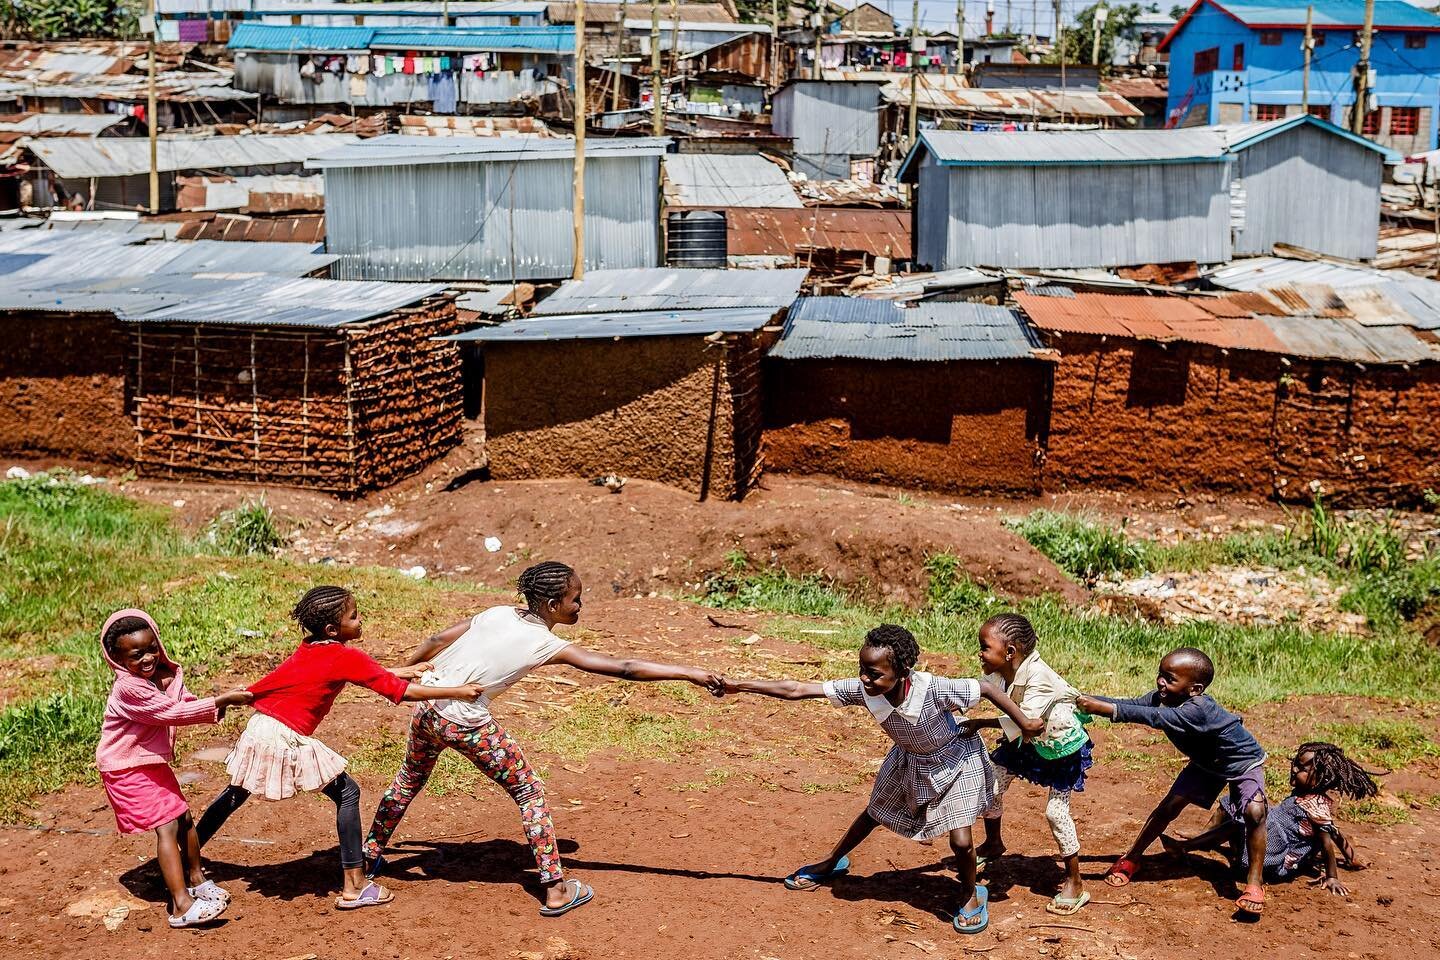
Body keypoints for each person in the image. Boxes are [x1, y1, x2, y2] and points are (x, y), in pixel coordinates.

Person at [364, 560, 724, 918]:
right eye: (576, 598)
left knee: (408, 780)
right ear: (552, 605)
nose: (580, 605)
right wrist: (688, 672)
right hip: (465, 722)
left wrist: (401, 680)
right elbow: (624, 668)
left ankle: (368, 857)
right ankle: (555, 889)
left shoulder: (497, 613)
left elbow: (436, 639)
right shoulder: (544, 643)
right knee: (529, 792)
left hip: (425, 707)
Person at [720, 623, 1043, 934]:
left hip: (957, 759)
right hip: (910, 760)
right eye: (862, 669)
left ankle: (971, 893)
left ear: (903, 672)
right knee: (873, 813)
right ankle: (831, 862)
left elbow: (985, 688)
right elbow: (797, 689)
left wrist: (1024, 722)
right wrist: (740, 685)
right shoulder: (865, 690)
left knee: (960, 841)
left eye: (874, 673)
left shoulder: (933, 688)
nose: (864, 678)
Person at [195, 586, 484, 910]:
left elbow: (357, 674)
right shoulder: (344, 656)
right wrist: (458, 691)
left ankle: (183, 859)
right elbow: (397, 692)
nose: (361, 621)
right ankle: (355, 885)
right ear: (333, 629)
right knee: (348, 793)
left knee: (235, 793)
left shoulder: (311, 648)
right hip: (282, 736)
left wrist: (401, 671)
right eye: (354, 616)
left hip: (262, 727)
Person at [1075, 647, 1269, 915]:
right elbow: (1132, 704)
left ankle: (1254, 882)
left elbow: (1153, 718)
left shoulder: (1198, 709)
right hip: (1206, 762)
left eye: (1169, 678)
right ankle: (1132, 857)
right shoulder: (1162, 698)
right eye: (1160, 675)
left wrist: (1104, 709)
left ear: (1195, 688)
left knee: (1255, 811)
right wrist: (1081, 698)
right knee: (1168, 808)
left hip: (1241, 761)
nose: (1160, 682)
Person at [96, 609, 253, 928]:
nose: (147, 658)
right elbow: (171, 712)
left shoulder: (162, 676)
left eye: (152, 648)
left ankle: (197, 881)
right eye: (136, 654)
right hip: (125, 768)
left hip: (148, 763)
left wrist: (209, 706)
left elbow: (183, 701)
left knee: (184, 819)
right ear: (117, 658)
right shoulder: (129, 688)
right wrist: (220, 702)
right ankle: (181, 907)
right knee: (167, 825)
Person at [969, 613, 1092, 915]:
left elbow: (1027, 723)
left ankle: (1075, 882)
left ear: (1009, 652)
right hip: (1026, 745)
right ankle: (993, 843)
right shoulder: (1001, 671)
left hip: (1059, 749)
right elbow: (976, 690)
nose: (980, 653)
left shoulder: (1040, 679)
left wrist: (979, 723)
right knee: (991, 785)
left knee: (1055, 813)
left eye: (985, 647)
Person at [1162, 741, 1376, 897]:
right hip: (1270, 835)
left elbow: (1328, 841)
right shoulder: (1305, 795)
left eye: (1301, 768)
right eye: (1294, 763)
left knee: (1243, 822)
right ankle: (1205, 836)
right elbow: (1336, 832)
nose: (1294, 769)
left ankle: (1186, 847)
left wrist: (1332, 876)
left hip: (1274, 856)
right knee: (1232, 801)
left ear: (1322, 778)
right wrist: (1351, 857)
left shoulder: (1316, 806)